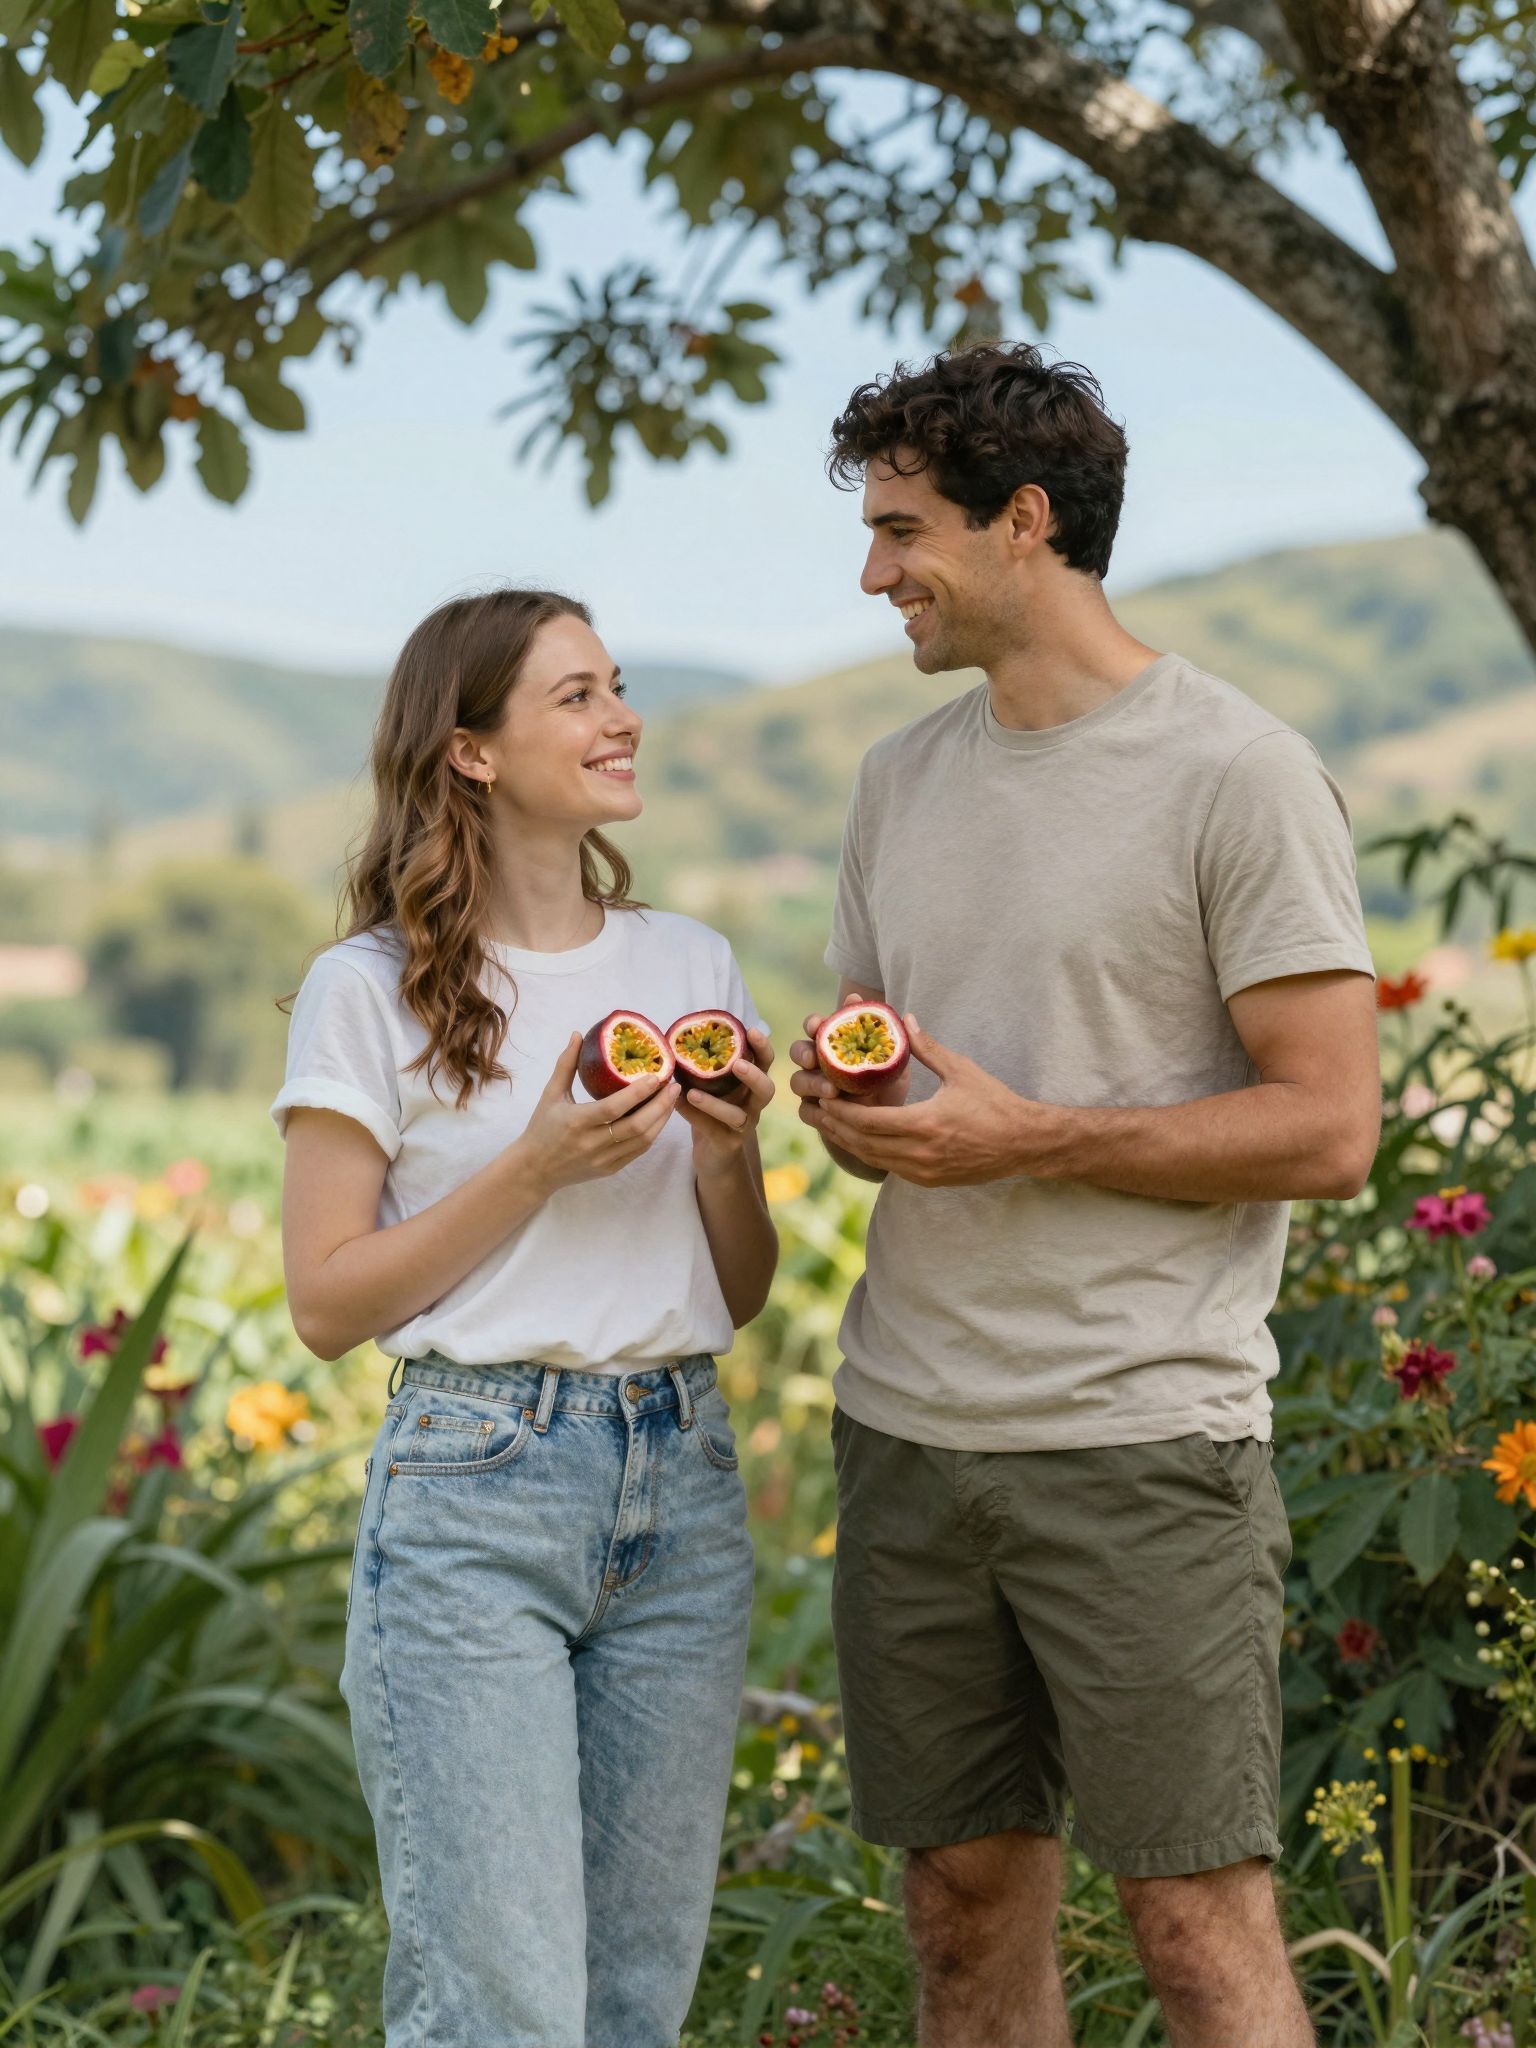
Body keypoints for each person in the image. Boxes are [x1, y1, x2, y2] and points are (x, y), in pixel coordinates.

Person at [788, 343, 1381, 2048]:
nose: (873, 572)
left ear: (1024, 522)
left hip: (1141, 1443)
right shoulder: (897, 781)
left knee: (1195, 1925)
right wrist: (859, 1106)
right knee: (959, 1918)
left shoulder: (1237, 774)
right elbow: (917, 1079)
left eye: (903, 529)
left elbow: (1331, 1132)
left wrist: (1027, 1136)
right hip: (908, 1435)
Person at [269, 587, 777, 2048]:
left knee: (632, 2001)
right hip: (474, 1489)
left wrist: (731, 1156)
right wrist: (540, 1166)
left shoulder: (689, 966)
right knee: (502, 2009)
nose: (622, 717)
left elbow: (734, 1292)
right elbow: (325, 1301)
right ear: (472, 750)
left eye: (617, 687)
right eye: (576, 694)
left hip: (680, 1483)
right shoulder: (365, 990)